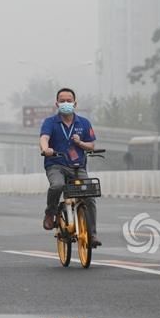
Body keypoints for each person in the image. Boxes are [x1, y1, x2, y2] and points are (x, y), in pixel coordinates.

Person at [39, 87, 102, 247]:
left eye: (69, 100)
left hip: (77, 166)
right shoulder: (50, 122)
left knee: (90, 196)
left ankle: (92, 234)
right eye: (62, 101)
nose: (65, 103)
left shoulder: (84, 123)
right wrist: (45, 149)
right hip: (56, 164)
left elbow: (91, 145)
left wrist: (80, 143)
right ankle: (50, 212)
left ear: (75, 103)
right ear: (56, 103)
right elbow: (44, 138)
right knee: (57, 185)